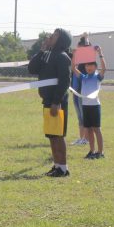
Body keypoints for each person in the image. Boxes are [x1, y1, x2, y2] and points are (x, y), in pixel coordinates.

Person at [27, 28, 73, 177]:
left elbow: (65, 81)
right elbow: (32, 68)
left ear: (60, 40)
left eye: (54, 35)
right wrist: (41, 50)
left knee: (58, 135)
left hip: (56, 102)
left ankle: (63, 168)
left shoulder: (62, 57)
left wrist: (56, 101)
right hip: (47, 100)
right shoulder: (47, 54)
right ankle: (56, 165)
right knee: (51, 135)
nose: (50, 36)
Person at [80, 45, 107, 159]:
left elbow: (104, 68)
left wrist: (100, 53)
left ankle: (100, 153)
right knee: (89, 130)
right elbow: (73, 68)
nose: (88, 67)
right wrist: (76, 56)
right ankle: (92, 151)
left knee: (96, 129)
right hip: (85, 106)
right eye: (86, 65)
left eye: (91, 65)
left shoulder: (97, 77)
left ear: (95, 67)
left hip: (95, 106)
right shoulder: (84, 77)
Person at [70, 34, 90, 146]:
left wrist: (86, 40)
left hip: (84, 91)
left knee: (84, 115)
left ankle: (86, 139)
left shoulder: (88, 59)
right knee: (79, 116)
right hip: (75, 89)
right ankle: (81, 138)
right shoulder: (78, 57)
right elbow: (73, 68)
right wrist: (74, 54)